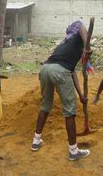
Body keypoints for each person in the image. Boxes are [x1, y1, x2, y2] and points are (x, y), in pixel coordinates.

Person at [31, 21, 91, 161]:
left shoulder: (65, 44)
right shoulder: (77, 37)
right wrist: (87, 47)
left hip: (45, 69)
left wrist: (81, 95)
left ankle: (36, 141)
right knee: (69, 112)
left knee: (45, 106)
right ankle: (73, 151)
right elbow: (81, 25)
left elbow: (72, 71)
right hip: (59, 71)